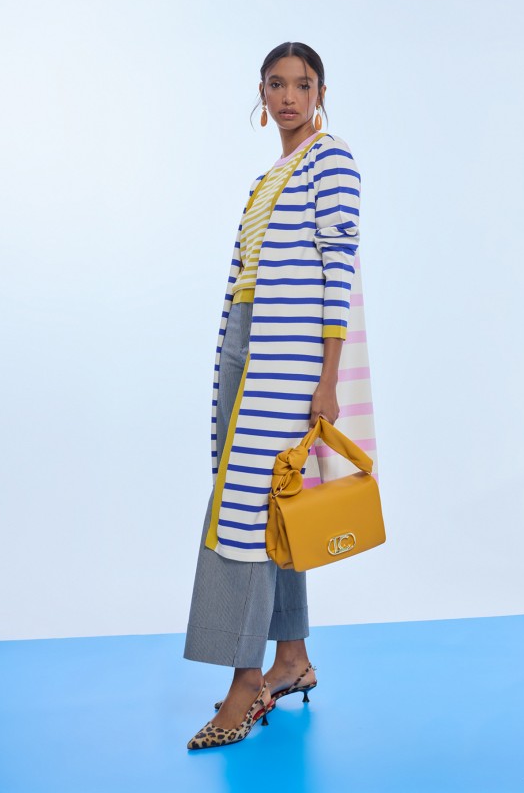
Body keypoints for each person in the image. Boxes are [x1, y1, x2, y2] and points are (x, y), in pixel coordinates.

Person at [183, 41, 377, 750]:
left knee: (240, 514)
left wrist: (327, 377)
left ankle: (245, 682)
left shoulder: (332, 159)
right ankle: (291, 658)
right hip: (245, 337)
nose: (289, 96)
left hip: (290, 357)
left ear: (321, 92)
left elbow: (338, 268)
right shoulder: (269, 176)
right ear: (261, 95)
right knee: (273, 506)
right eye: (276, 83)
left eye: (302, 83)